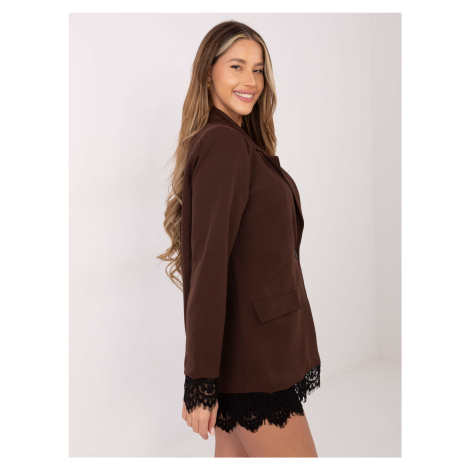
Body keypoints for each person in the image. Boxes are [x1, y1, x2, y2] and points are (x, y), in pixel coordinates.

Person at [158, 20, 321, 457]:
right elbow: (209, 266)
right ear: (208, 71)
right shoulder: (224, 145)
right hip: (254, 359)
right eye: (237, 66)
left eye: (258, 69)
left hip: (247, 354)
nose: (251, 80)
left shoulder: (233, 141)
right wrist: (199, 380)